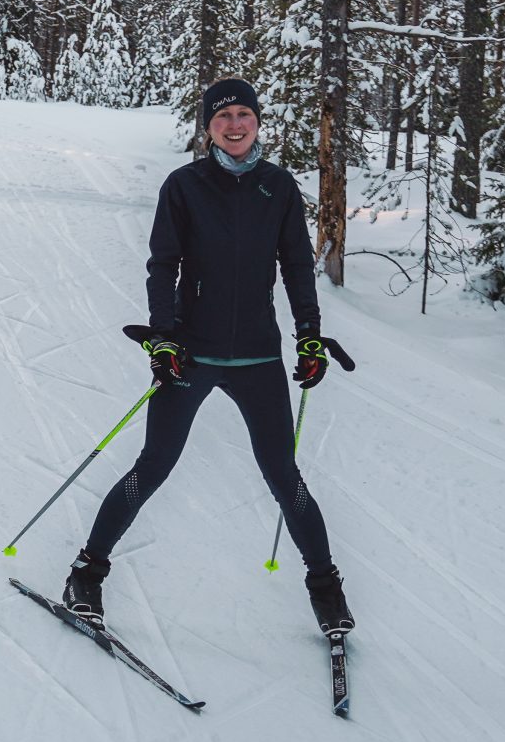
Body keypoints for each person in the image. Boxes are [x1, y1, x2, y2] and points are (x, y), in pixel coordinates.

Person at [61, 77, 356, 638]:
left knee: (285, 479)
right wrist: (165, 336)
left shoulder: (279, 187)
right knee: (152, 467)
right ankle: (86, 573)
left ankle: (327, 592)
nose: (236, 123)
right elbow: (162, 265)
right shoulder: (184, 186)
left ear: (258, 122)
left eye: (245, 113)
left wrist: (309, 335)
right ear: (208, 127)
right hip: (191, 357)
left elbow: (296, 266)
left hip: (258, 359)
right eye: (224, 116)